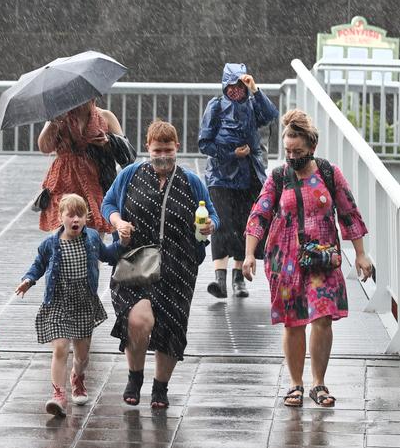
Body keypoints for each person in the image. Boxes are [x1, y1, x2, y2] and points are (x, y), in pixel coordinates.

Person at [243, 109, 373, 408]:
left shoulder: (329, 173)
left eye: (298, 151)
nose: (292, 156)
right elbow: (259, 214)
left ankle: (319, 383)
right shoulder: (279, 177)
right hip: (285, 259)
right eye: (288, 151)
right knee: (293, 322)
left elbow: (349, 213)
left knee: (323, 316)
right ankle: (295, 384)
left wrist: (361, 254)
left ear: (311, 147)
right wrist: (250, 253)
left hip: (323, 258)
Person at [102, 120, 219, 408]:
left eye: (168, 150)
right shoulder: (130, 175)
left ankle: (160, 386)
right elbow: (108, 205)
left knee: (171, 327)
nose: (163, 156)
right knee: (138, 320)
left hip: (178, 266)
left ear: (177, 147)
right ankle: (135, 375)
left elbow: (213, 216)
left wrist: (209, 228)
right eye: (157, 150)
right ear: (147, 148)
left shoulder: (191, 182)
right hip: (135, 263)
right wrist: (118, 223)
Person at [15, 193, 126, 417]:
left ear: (86, 218)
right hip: (58, 302)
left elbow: (108, 256)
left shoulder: (93, 238)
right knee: (60, 348)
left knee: (82, 356)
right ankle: (58, 394)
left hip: (84, 302)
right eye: (70, 215)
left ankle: (77, 377)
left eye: (80, 215)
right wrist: (28, 280)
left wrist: (122, 242)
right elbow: (38, 265)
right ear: (61, 217)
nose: (75, 220)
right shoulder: (50, 244)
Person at [199, 63, 278, 299]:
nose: (236, 90)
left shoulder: (254, 104)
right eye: (231, 86)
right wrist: (232, 154)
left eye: (240, 86)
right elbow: (205, 143)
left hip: (249, 175)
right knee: (221, 224)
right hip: (221, 176)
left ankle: (239, 278)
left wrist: (255, 89)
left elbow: (271, 115)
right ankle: (219, 279)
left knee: (246, 224)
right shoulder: (216, 106)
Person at [37, 99, 123, 234]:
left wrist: (107, 142)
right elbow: (44, 147)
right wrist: (54, 122)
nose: (78, 105)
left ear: (93, 98)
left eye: (84, 101)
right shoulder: (59, 117)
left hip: (94, 179)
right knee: (62, 231)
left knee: (93, 234)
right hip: (63, 179)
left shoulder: (105, 116)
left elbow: (124, 150)